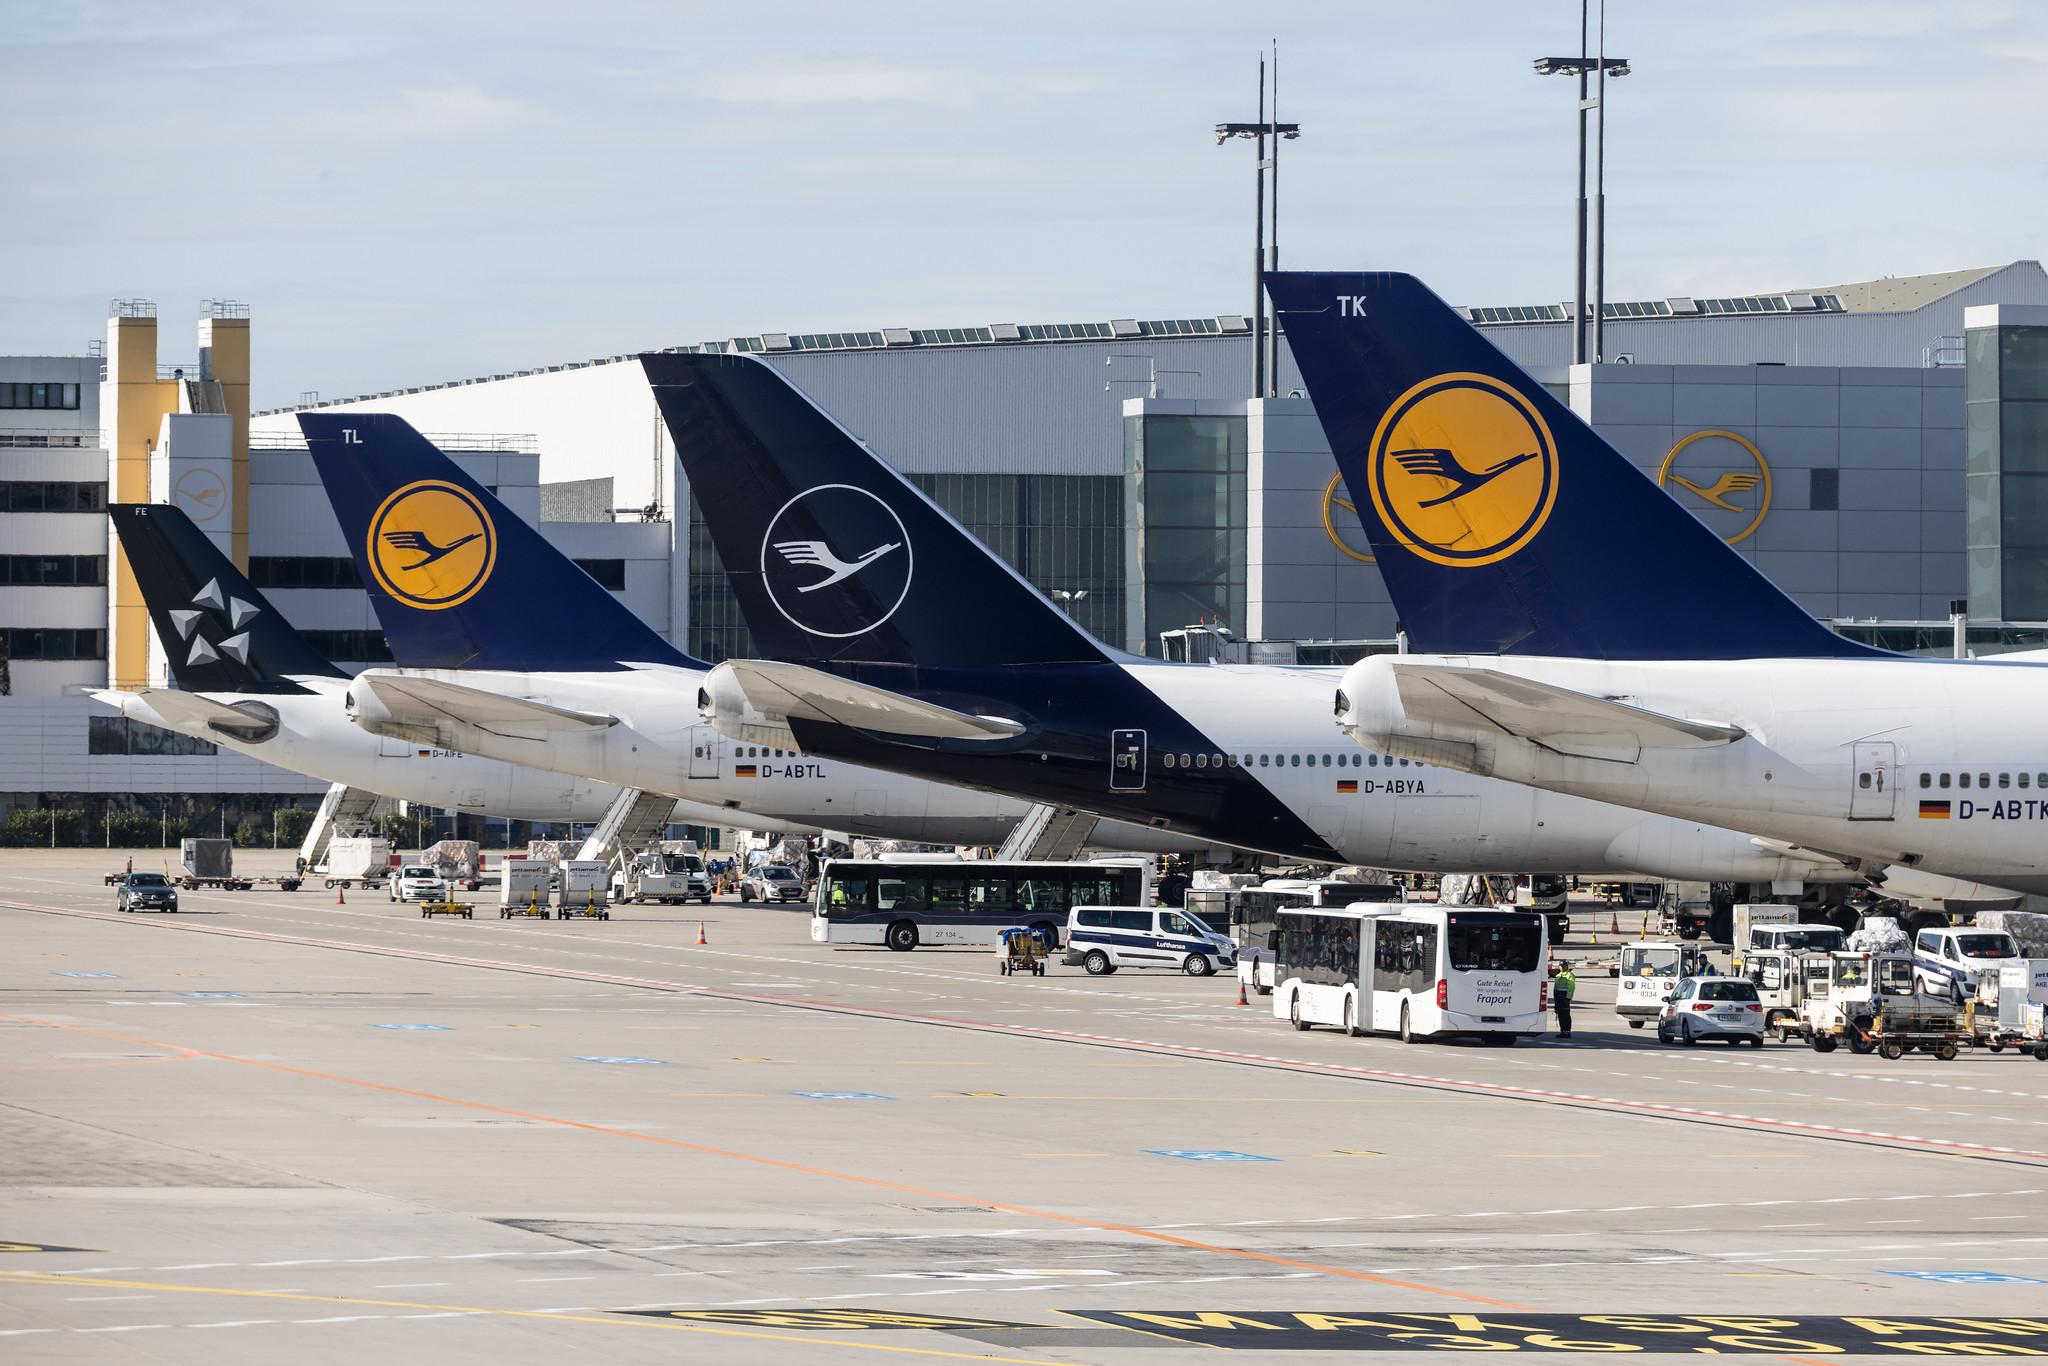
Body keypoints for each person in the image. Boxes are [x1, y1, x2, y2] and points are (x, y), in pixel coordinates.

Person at [1553, 962, 1577, 1039]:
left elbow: (1571, 987)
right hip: (1558, 998)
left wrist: (1568, 998)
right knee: (1560, 1015)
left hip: (1565, 998)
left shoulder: (1569, 975)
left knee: (1565, 1015)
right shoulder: (1558, 976)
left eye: (1564, 966)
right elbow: (1555, 989)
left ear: (1567, 967)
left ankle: (1567, 1032)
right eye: (1561, 966)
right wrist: (1555, 1000)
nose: (1562, 967)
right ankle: (1563, 1031)